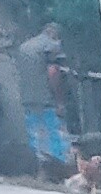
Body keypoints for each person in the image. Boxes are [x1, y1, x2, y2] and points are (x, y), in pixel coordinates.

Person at [18, 22, 69, 167]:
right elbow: (53, 72)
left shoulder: (24, 47)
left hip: (28, 98)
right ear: (55, 33)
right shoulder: (51, 46)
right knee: (55, 135)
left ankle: (41, 168)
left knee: (36, 135)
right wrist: (60, 101)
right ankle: (58, 169)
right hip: (47, 100)